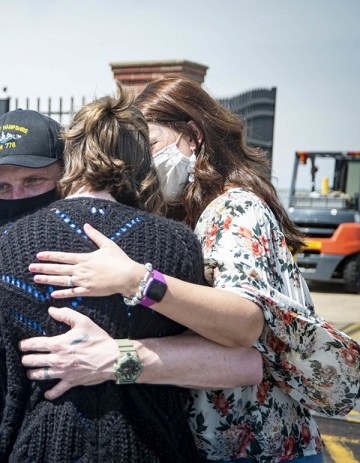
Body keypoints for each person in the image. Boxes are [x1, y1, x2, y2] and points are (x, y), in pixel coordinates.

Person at [25, 77, 360, 462]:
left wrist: (137, 281)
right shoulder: (184, 213)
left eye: (151, 146)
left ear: (193, 137)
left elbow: (244, 323)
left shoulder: (234, 210)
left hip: (260, 449)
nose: (145, 164)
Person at [0, 87, 214, 462]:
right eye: (3, 187)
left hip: (38, 448)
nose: (17, 196)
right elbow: (209, 362)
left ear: (68, 164)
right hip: (156, 446)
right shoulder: (178, 244)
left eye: (32, 181)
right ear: (145, 161)